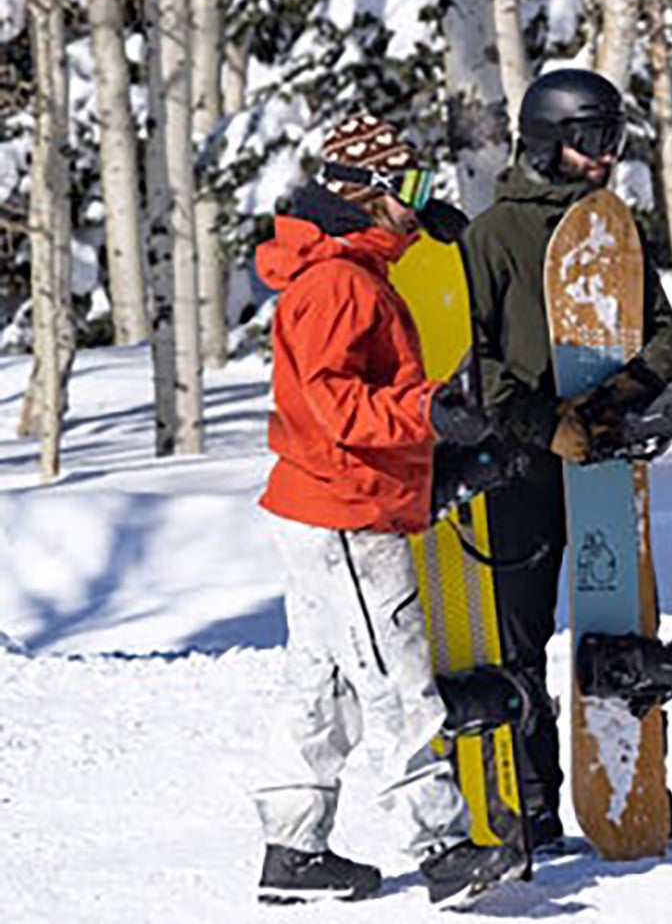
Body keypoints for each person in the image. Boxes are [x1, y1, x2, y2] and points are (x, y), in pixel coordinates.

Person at [251, 114, 520, 908]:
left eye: (424, 186)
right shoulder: (339, 284)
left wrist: (421, 233)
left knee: (324, 681)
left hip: (323, 504)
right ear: (363, 194)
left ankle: (293, 850)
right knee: (395, 679)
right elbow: (337, 406)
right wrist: (430, 414)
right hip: (345, 512)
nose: (418, 202)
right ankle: (440, 848)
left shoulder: (350, 266)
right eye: (406, 189)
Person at [460, 68, 672, 852]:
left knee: (619, 627)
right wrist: (545, 426)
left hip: (603, 462)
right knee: (519, 646)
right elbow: (474, 363)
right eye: (590, 140)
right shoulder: (491, 238)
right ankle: (531, 805)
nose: (606, 156)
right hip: (521, 471)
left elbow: (663, 336)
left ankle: (634, 790)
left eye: (614, 139)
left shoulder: (615, 229)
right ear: (545, 140)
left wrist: (614, 402)